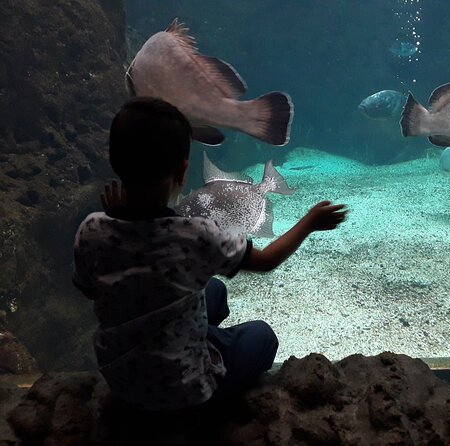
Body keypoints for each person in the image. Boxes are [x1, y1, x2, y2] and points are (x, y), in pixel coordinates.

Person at [72, 97, 347, 413]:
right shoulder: (196, 235)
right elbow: (267, 260)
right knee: (262, 336)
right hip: (187, 387)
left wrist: (117, 218)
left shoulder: (91, 229)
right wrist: (309, 222)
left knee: (213, 289)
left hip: (120, 380)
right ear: (183, 171)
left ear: (113, 160)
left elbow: (92, 289)